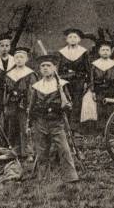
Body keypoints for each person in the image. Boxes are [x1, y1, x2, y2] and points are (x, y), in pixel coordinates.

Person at [26, 55, 79, 183]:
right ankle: (43, 178)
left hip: (56, 122)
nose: (45, 68)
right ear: (39, 69)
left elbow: (69, 104)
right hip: (40, 122)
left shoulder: (61, 85)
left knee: (64, 149)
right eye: (42, 66)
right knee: (42, 151)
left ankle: (71, 177)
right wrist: (29, 122)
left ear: (54, 68)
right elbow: (31, 106)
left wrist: (64, 105)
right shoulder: (37, 86)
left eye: (48, 66)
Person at [4, 48, 37, 158]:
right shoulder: (10, 74)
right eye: (17, 57)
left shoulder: (30, 74)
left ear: (26, 59)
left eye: (21, 57)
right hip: (12, 104)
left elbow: (32, 91)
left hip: (24, 104)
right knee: (12, 127)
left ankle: (28, 153)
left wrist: (29, 106)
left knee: (25, 128)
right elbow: (6, 90)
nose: (19, 59)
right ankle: (15, 151)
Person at [57, 29, 91, 127]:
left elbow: (88, 69)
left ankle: (75, 127)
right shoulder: (62, 52)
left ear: (79, 39)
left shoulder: (83, 52)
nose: (72, 39)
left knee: (77, 103)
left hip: (79, 80)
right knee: (66, 101)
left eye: (75, 37)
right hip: (65, 80)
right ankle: (66, 126)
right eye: (70, 37)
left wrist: (87, 82)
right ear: (66, 39)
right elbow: (59, 69)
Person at [87, 41, 114, 130]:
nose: (105, 52)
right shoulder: (95, 65)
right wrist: (93, 91)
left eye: (107, 50)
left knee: (110, 110)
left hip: (111, 89)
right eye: (103, 50)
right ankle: (101, 130)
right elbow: (91, 79)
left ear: (110, 52)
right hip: (99, 90)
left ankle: (109, 130)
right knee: (100, 110)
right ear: (99, 52)